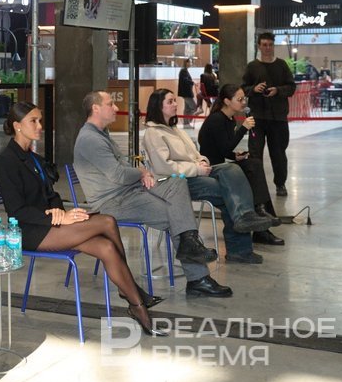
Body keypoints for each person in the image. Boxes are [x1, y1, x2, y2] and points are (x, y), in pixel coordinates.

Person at [0, 102, 165, 335]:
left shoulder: (33, 158)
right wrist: (57, 218)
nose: (40, 126)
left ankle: (133, 300)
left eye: (40, 120)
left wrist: (60, 213)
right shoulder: (7, 161)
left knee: (106, 247)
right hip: (30, 232)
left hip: (51, 225)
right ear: (17, 126)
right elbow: (16, 211)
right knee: (106, 221)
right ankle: (134, 297)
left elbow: (52, 196)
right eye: (33, 121)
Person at [73, 91, 231, 298]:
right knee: (177, 216)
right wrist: (141, 172)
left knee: (176, 182)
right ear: (95, 108)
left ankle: (191, 248)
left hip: (130, 190)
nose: (115, 108)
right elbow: (119, 175)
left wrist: (141, 173)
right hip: (113, 201)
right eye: (110, 104)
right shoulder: (90, 139)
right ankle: (198, 278)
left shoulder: (101, 134)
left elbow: (123, 169)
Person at [142, 89, 274, 264]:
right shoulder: (153, 133)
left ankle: (246, 217)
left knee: (232, 170)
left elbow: (195, 153)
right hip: (175, 182)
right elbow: (164, 166)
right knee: (229, 193)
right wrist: (196, 169)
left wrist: (202, 161)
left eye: (175, 100)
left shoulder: (174, 129)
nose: (175, 104)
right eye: (170, 101)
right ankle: (240, 247)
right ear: (158, 106)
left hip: (193, 173)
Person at [198, 84, 285, 246]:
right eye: (239, 99)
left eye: (244, 98)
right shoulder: (217, 119)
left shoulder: (229, 119)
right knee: (253, 167)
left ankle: (261, 218)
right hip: (212, 168)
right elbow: (223, 148)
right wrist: (243, 128)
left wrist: (235, 156)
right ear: (227, 101)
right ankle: (261, 216)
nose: (244, 102)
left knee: (254, 166)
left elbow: (224, 149)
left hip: (222, 165)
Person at [242, 32, 296, 196]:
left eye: (270, 45)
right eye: (264, 45)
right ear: (259, 46)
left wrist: (278, 90)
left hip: (278, 117)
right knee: (255, 153)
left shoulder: (282, 65)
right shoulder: (252, 66)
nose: (267, 48)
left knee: (278, 153)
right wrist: (254, 89)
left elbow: (291, 87)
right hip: (257, 117)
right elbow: (243, 88)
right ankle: (255, 185)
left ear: (273, 46)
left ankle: (280, 184)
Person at [177, 59, 196, 127]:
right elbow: (185, 81)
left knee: (187, 109)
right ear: (187, 63)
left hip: (186, 93)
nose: (191, 63)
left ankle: (186, 123)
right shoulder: (184, 71)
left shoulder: (184, 70)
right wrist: (192, 82)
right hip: (186, 93)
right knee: (194, 107)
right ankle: (187, 121)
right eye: (190, 62)